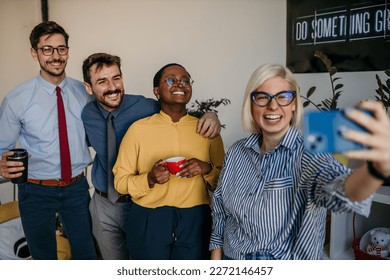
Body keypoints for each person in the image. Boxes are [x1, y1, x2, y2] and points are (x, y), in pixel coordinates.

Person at [209, 63, 390, 260]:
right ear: (251, 104)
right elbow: (220, 211)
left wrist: (376, 169)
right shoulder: (236, 152)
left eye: (283, 97)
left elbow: (341, 190)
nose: (273, 106)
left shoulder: (310, 153)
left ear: (294, 104)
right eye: (262, 97)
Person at [81, 54, 222, 259]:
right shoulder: (92, 115)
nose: (112, 87)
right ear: (89, 87)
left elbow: (225, 181)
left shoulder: (204, 130)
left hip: (191, 214)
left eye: (116, 78)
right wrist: (150, 177)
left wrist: (211, 118)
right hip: (116, 206)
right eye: (102, 81)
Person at [0, 21, 96, 259]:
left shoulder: (85, 93)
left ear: (67, 51)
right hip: (35, 190)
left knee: (87, 254)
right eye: (47, 49)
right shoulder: (16, 99)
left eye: (61, 49)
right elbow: (2, 147)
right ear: (35, 53)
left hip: (76, 187)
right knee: (44, 259)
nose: (56, 56)